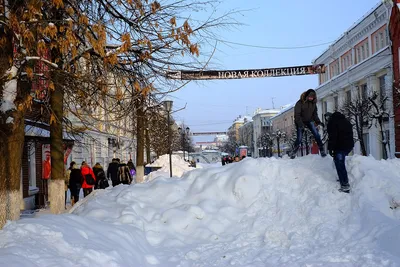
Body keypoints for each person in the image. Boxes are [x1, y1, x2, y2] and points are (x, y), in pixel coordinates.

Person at [289, 89, 326, 159]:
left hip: (309, 120)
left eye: (313, 97)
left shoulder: (313, 103)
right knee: (299, 138)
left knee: (316, 134)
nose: (311, 98)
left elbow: (315, 114)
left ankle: (321, 149)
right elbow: (297, 115)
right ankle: (293, 151)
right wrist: (301, 125)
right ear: (307, 96)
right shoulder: (299, 103)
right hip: (300, 121)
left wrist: (318, 122)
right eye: (310, 96)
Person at [326, 112, 354, 193]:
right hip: (348, 146)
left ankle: (345, 184)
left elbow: (332, 136)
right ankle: (342, 179)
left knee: (339, 164)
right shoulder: (346, 121)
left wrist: (330, 148)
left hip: (340, 146)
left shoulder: (332, 122)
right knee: (338, 162)